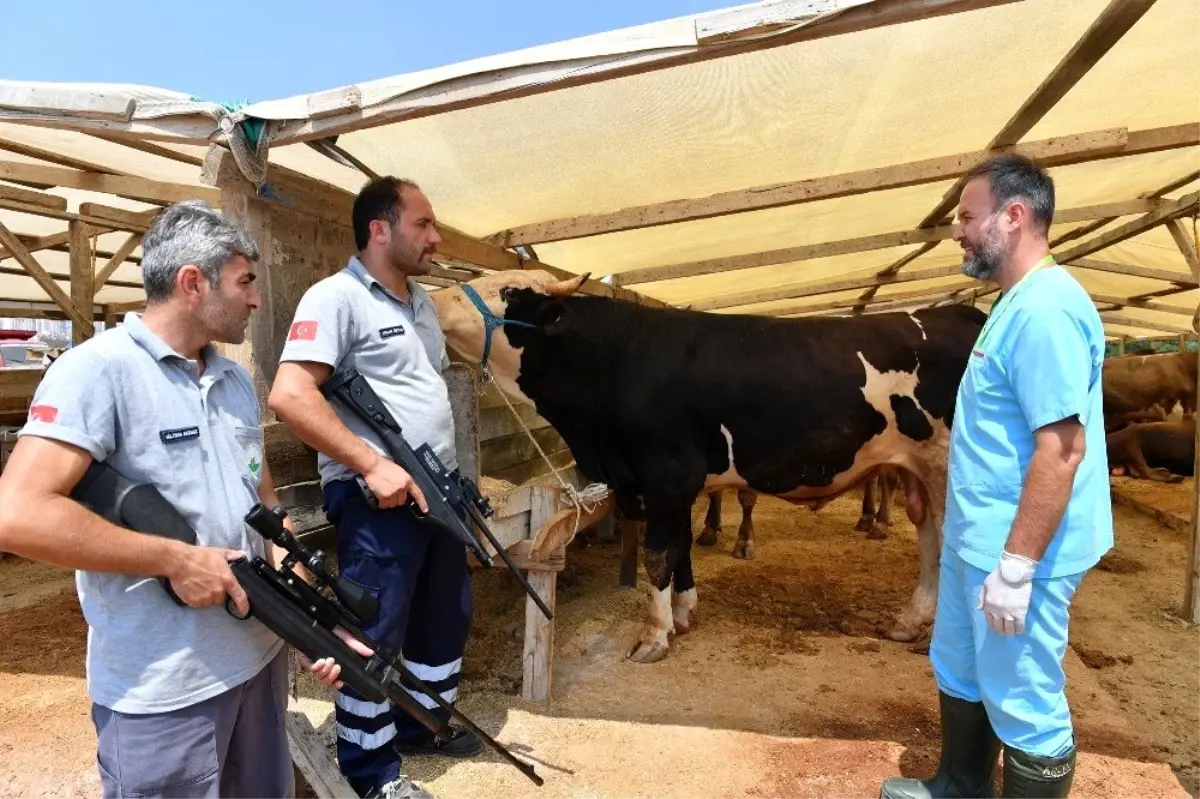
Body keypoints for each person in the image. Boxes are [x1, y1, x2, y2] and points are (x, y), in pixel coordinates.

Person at [0, 200, 368, 799]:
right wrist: (174, 560)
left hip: (258, 662)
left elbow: (264, 508)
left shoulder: (234, 380)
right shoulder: (96, 371)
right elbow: (15, 514)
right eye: (245, 281)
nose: (255, 299)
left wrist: (309, 621)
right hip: (164, 692)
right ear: (193, 282)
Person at [880, 155, 1112, 799]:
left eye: (967, 216)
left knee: (1024, 694)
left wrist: (1016, 567)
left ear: (1013, 217)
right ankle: (960, 784)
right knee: (958, 664)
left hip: (1017, 550)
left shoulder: (1047, 311)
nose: (957, 231)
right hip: (978, 537)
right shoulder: (1014, 303)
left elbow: (1062, 449)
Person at [269, 176, 480, 799]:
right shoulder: (335, 298)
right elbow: (289, 393)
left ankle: (420, 722)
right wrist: (370, 465)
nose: (436, 237)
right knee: (373, 632)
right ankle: (370, 772)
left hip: (436, 494)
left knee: (447, 615)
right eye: (424, 224)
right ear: (379, 230)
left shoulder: (421, 304)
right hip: (377, 498)